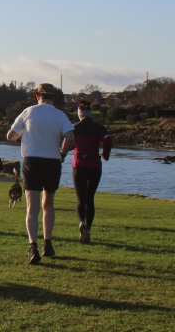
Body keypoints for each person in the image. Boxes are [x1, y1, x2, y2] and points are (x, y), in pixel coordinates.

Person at [6, 83, 75, 265]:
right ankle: (48, 243)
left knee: (32, 207)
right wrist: (63, 153)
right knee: (48, 204)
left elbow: (10, 136)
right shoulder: (60, 115)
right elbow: (70, 137)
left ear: (38, 96)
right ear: (54, 98)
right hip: (52, 162)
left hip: (32, 162)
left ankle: (33, 246)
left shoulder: (29, 112)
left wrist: (25, 134)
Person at [63, 100, 112, 244]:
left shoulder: (74, 128)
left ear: (79, 114)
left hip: (79, 164)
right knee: (90, 198)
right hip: (95, 165)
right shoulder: (99, 128)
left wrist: (64, 152)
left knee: (80, 198)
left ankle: (81, 223)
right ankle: (88, 229)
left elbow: (67, 144)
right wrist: (105, 154)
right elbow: (108, 140)